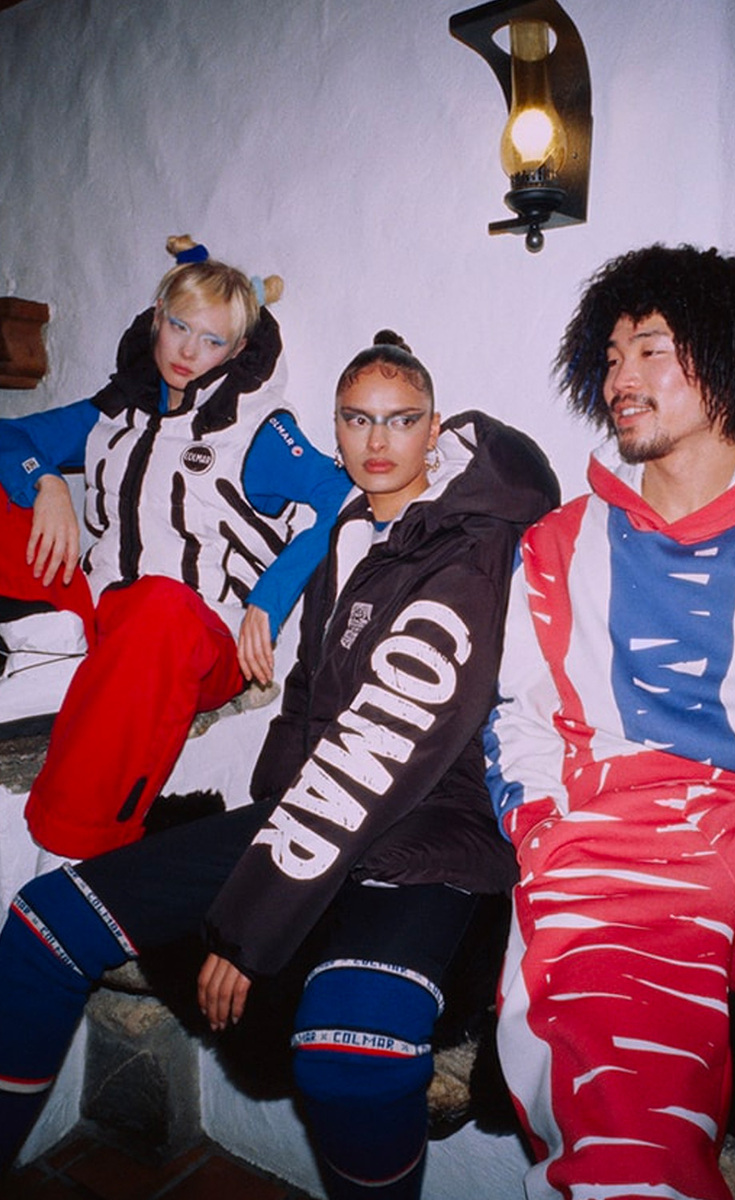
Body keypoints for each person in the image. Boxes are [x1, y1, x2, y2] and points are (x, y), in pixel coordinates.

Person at [0, 330, 559, 1198]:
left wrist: (252, 921)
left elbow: (384, 738)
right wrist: (259, 825)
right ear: (334, 429)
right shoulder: (349, 531)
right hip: (315, 811)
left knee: (350, 1059)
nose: (377, 441)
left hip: (428, 829)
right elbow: (305, 700)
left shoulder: (469, 547)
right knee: (43, 926)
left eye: (401, 420)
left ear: (434, 428)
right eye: (357, 420)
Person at [485, 244, 735, 1200]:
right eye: (612, 356)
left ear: (734, 358)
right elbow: (518, 716)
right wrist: (545, 833)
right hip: (621, 847)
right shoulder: (557, 544)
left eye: (652, 349)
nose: (621, 377)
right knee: (630, 1154)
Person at [0, 242, 351, 858]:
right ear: (156, 317)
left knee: (157, 605)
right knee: (12, 484)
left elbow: (341, 499)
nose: (188, 352)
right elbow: (12, 437)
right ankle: (44, 646)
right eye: (180, 327)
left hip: (197, 636)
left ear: (237, 350)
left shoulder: (257, 429)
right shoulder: (116, 411)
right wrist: (45, 482)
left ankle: (76, 837)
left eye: (212, 341)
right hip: (97, 616)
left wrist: (269, 602)